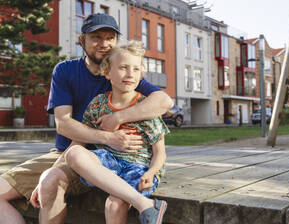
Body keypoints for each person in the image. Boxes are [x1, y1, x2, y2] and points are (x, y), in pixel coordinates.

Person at [0, 13, 173, 224]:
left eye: (110, 38)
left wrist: (118, 117)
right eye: (96, 37)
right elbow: (64, 124)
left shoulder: (123, 72)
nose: (104, 44)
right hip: (69, 153)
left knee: (111, 199)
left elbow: (164, 101)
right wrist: (107, 137)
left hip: (115, 159)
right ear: (82, 40)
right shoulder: (65, 70)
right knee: (45, 181)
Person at [64, 41, 168, 224]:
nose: (130, 74)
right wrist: (52, 172)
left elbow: (160, 153)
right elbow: (77, 141)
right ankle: (145, 204)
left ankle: (143, 203)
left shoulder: (146, 108)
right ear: (107, 72)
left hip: (139, 167)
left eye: (136, 69)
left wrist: (151, 173)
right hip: (108, 163)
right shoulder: (98, 104)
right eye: (123, 68)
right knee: (73, 153)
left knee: (114, 204)